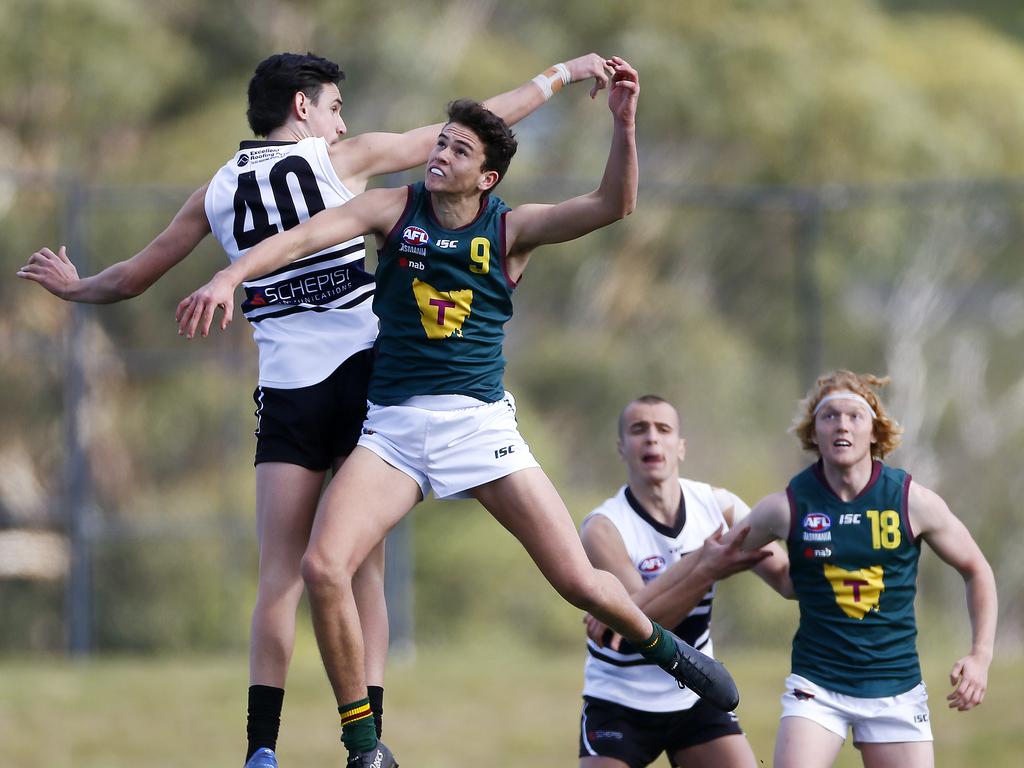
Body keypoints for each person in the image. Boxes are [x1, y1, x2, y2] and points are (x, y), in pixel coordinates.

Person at [17, 50, 615, 768]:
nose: (342, 122)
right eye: (334, 107)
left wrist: (76, 287)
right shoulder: (341, 160)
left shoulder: (213, 191)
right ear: (302, 108)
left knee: (282, 575)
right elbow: (476, 125)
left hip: (291, 387)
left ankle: (261, 751)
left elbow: (131, 278)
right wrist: (562, 74)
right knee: (361, 569)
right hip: (369, 371)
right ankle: (369, 743)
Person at [176, 58, 738, 768]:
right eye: (440, 142)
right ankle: (364, 749)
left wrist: (623, 126)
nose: (440, 155)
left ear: (487, 178)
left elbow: (611, 205)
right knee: (323, 567)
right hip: (395, 433)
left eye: (459, 151)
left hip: (481, 430)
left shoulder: (512, 230)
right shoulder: (390, 209)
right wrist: (229, 274)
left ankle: (667, 650)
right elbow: (301, 238)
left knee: (575, 583)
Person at [730, 370, 998, 768]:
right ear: (813, 434)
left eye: (855, 416)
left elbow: (977, 569)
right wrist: (638, 612)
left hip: (896, 687)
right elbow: (712, 560)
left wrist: (980, 655)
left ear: (874, 432)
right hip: (817, 688)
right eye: (830, 416)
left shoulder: (911, 501)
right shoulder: (786, 506)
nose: (842, 424)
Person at [577, 394, 792, 768]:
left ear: (681, 447)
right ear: (621, 447)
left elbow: (788, 581)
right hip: (620, 699)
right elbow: (638, 628)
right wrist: (705, 567)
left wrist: (827, 526)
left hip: (696, 690)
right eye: (638, 429)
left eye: (663, 429)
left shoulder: (718, 506)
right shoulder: (603, 528)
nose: (652, 439)